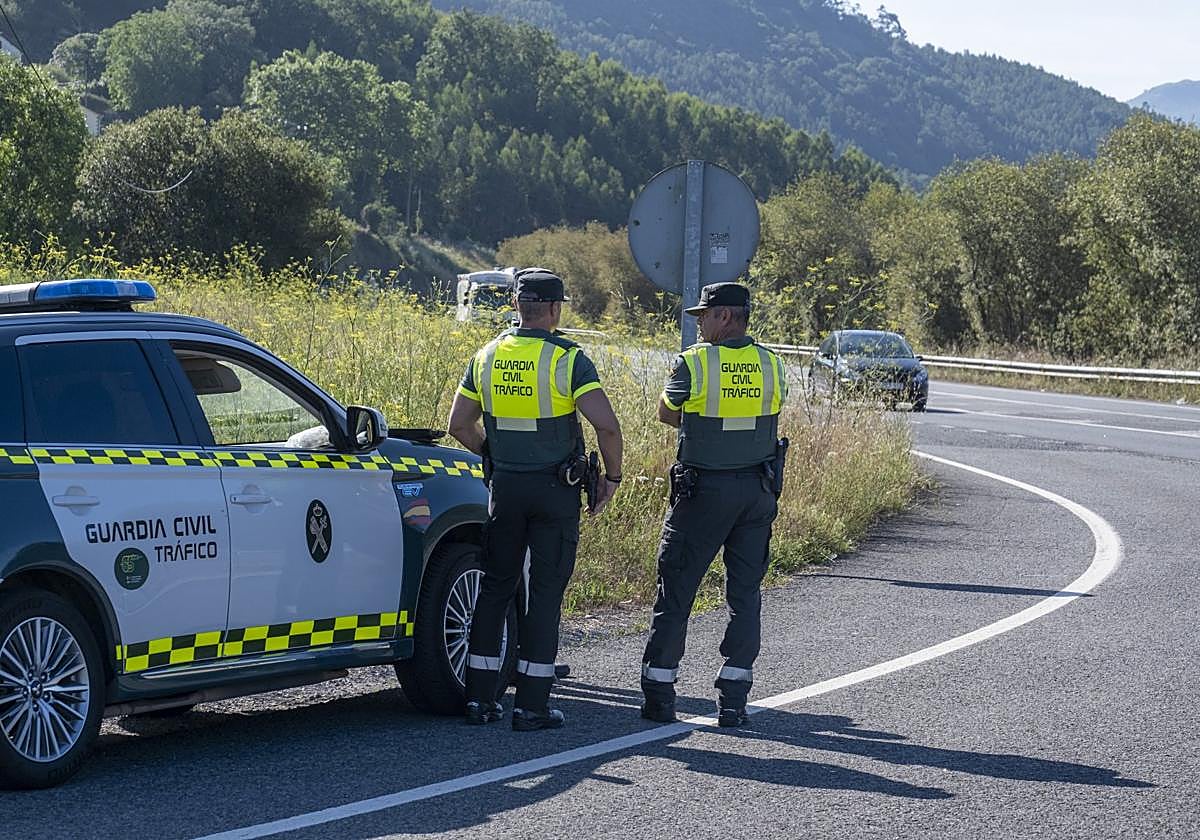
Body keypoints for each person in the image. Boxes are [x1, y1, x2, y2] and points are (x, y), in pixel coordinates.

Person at [448, 267, 623, 731]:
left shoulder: (486, 355)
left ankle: (479, 699)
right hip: (554, 492)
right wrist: (612, 477)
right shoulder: (568, 359)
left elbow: (458, 424)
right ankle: (531, 706)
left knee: (495, 587)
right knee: (544, 594)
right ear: (555, 309)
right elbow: (607, 426)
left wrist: (494, 453)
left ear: (516, 306)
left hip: (505, 489)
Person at [640, 281, 788, 728]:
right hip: (756, 491)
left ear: (725, 316)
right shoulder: (771, 363)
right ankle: (734, 699)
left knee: (677, 589)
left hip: (704, 492)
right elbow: (768, 412)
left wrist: (706, 426)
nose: (700, 323)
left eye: (704, 315)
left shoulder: (694, 363)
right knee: (745, 594)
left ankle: (660, 694)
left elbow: (667, 413)